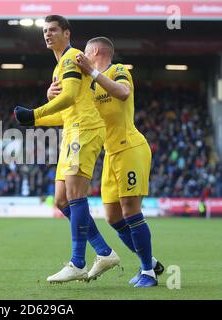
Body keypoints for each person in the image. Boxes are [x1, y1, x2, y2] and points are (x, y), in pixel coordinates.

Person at [14, 15, 120, 283]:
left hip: (85, 131)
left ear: (67, 33)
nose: (47, 35)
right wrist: (34, 120)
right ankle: (104, 252)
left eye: (52, 30)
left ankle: (77, 262)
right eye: (44, 31)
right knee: (61, 200)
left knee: (74, 195)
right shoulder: (59, 66)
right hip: (72, 132)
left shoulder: (72, 58)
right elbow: (66, 109)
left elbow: (71, 97)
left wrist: (34, 113)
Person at [74, 37, 163, 287]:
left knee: (130, 210)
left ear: (95, 51)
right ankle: (151, 261)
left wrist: (91, 71)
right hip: (110, 154)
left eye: (86, 52)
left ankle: (147, 272)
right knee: (113, 217)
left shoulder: (118, 70)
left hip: (130, 147)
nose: (83, 56)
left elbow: (123, 93)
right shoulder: (90, 84)